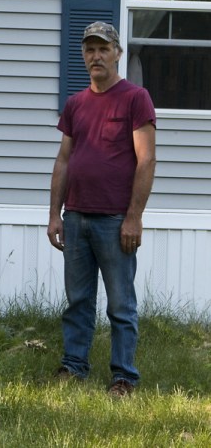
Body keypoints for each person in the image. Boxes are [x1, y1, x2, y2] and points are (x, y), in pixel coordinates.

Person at [47, 22, 156, 397]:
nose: (96, 56)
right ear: (84, 55)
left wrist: (134, 217)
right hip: (76, 217)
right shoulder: (76, 104)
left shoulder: (135, 98)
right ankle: (73, 367)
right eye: (90, 49)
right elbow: (63, 161)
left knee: (121, 304)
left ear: (117, 53)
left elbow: (146, 161)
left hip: (115, 220)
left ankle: (123, 377)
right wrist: (53, 215)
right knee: (77, 300)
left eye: (103, 49)